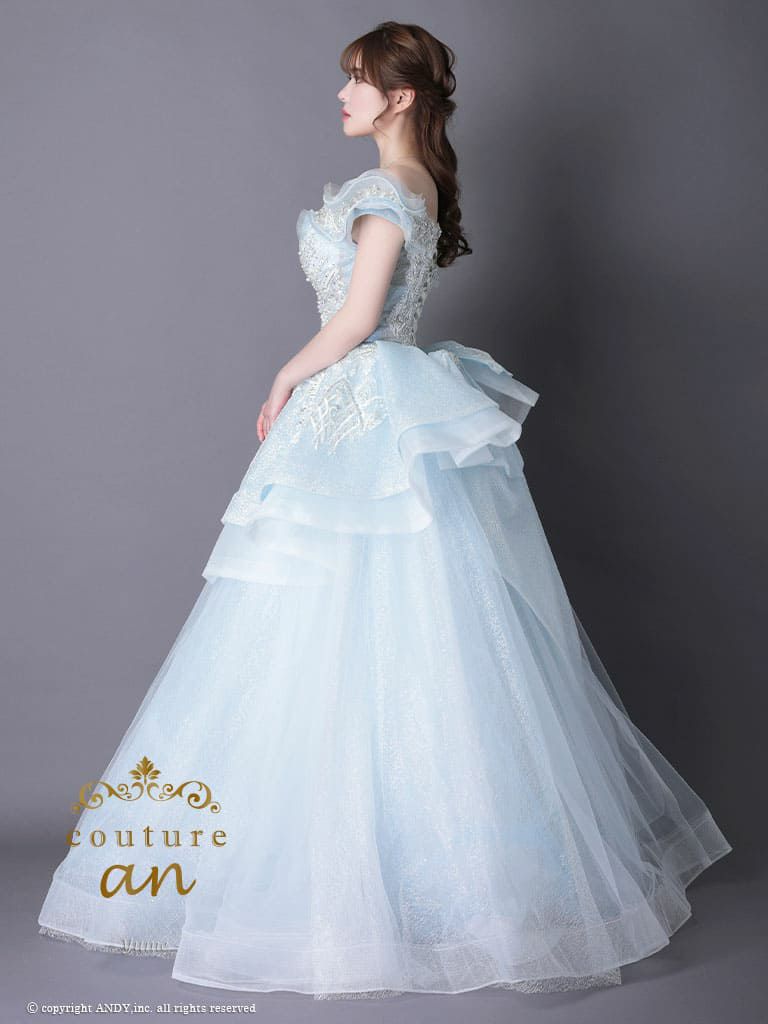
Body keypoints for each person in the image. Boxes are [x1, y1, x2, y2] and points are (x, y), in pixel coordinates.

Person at [38, 20, 732, 1000]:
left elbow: (359, 319)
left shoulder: (391, 190)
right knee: (387, 633)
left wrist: (284, 375)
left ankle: (375, 895)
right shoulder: (412, 185)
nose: (342, 96)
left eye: (357, 82)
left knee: (358, 629)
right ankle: (378, 878)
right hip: (371, 414)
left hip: (360, 405)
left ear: (400, 97)